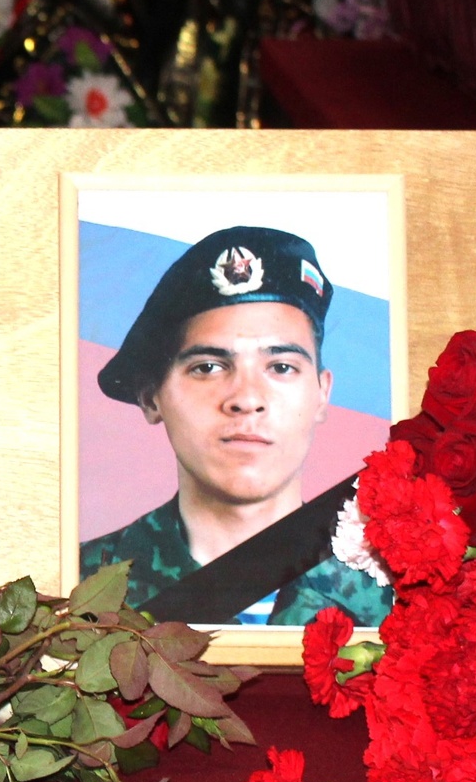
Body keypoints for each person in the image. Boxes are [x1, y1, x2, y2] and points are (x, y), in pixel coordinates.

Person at [79, 224, 390, 627]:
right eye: (208, 367)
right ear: (151, 397)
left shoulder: (400, 594)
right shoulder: (78, 586)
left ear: (322, 394)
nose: (246, 398)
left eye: (281, 367)